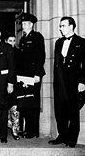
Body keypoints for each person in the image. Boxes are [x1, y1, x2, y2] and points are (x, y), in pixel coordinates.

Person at [48, 16, 85, 148]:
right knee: (60, 110)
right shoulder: (58, 42)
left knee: (73, 111)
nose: (60, 28)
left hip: (73, 82)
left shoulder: (81, 42)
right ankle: (62, 135)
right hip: (59, 82)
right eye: (60, 26)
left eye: (63, 26)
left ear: (71, 26)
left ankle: (72, 138)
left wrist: (83, 81)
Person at [16, 13, 45, 139]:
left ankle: (33, 131)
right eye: (22, 24)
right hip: (24, 76)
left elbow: (40, 56)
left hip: (33, 75)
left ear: (32, 25)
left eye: (26, 24)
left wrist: (37, 74)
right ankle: (26, 129)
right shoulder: (22, 39)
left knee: (33, 103)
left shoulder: (37, 37)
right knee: (25, 102)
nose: (24, 26)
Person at [4, 32, 20, 141]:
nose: (12, 43)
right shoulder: (2, 51)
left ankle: (15, 130)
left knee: (15, 107)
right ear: (5, 41)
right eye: (10, 41)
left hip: (15, 83)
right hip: (4, 83)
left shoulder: (18, 52)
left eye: (14, 41)